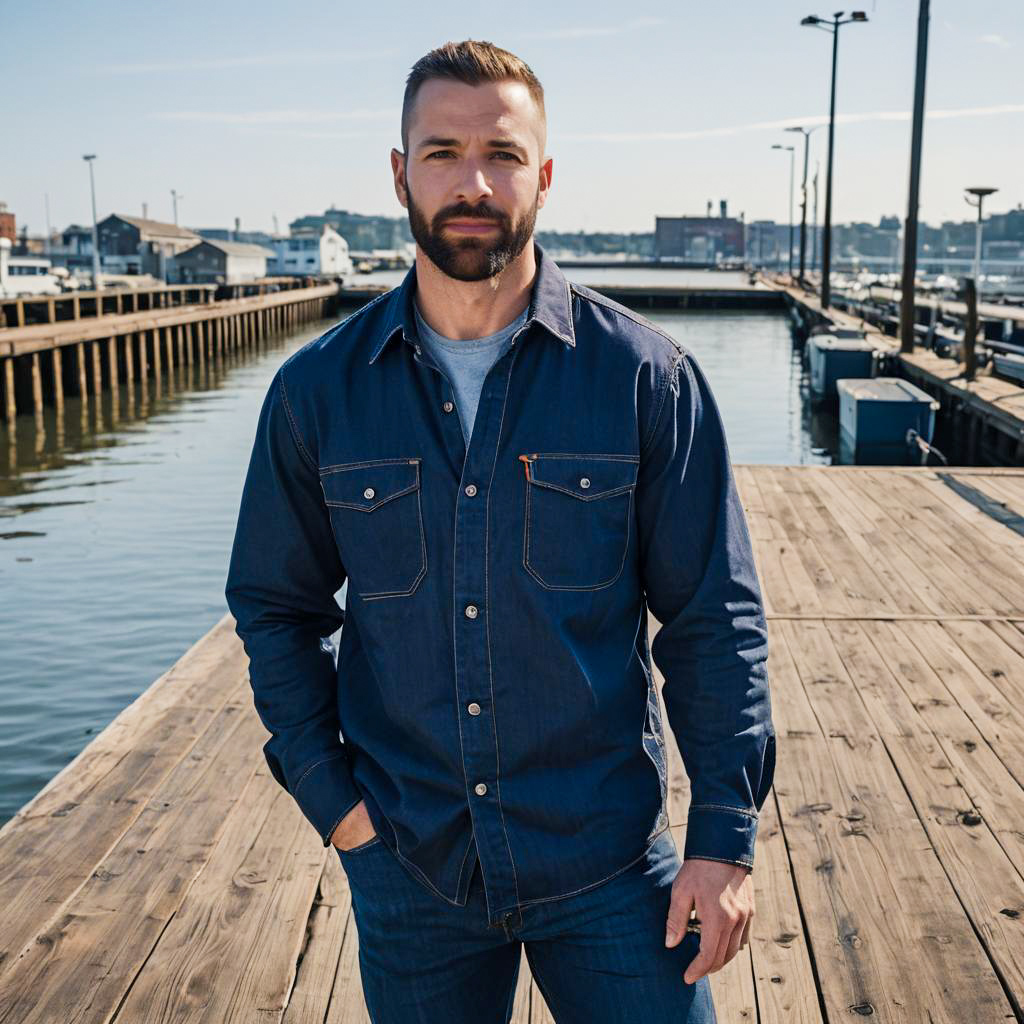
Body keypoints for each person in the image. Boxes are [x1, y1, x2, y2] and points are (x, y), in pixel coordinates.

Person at [225, 38, 776, 1024]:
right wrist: (336, 807)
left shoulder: (646, 381)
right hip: (410, 864)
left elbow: (711, 621)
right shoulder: (316, 394)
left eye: (503, 154)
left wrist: (722, 838)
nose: (472, 182)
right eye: (440, 151)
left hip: (609, 866)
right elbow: (275, 608)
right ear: (399, 174)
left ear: (545, 175)